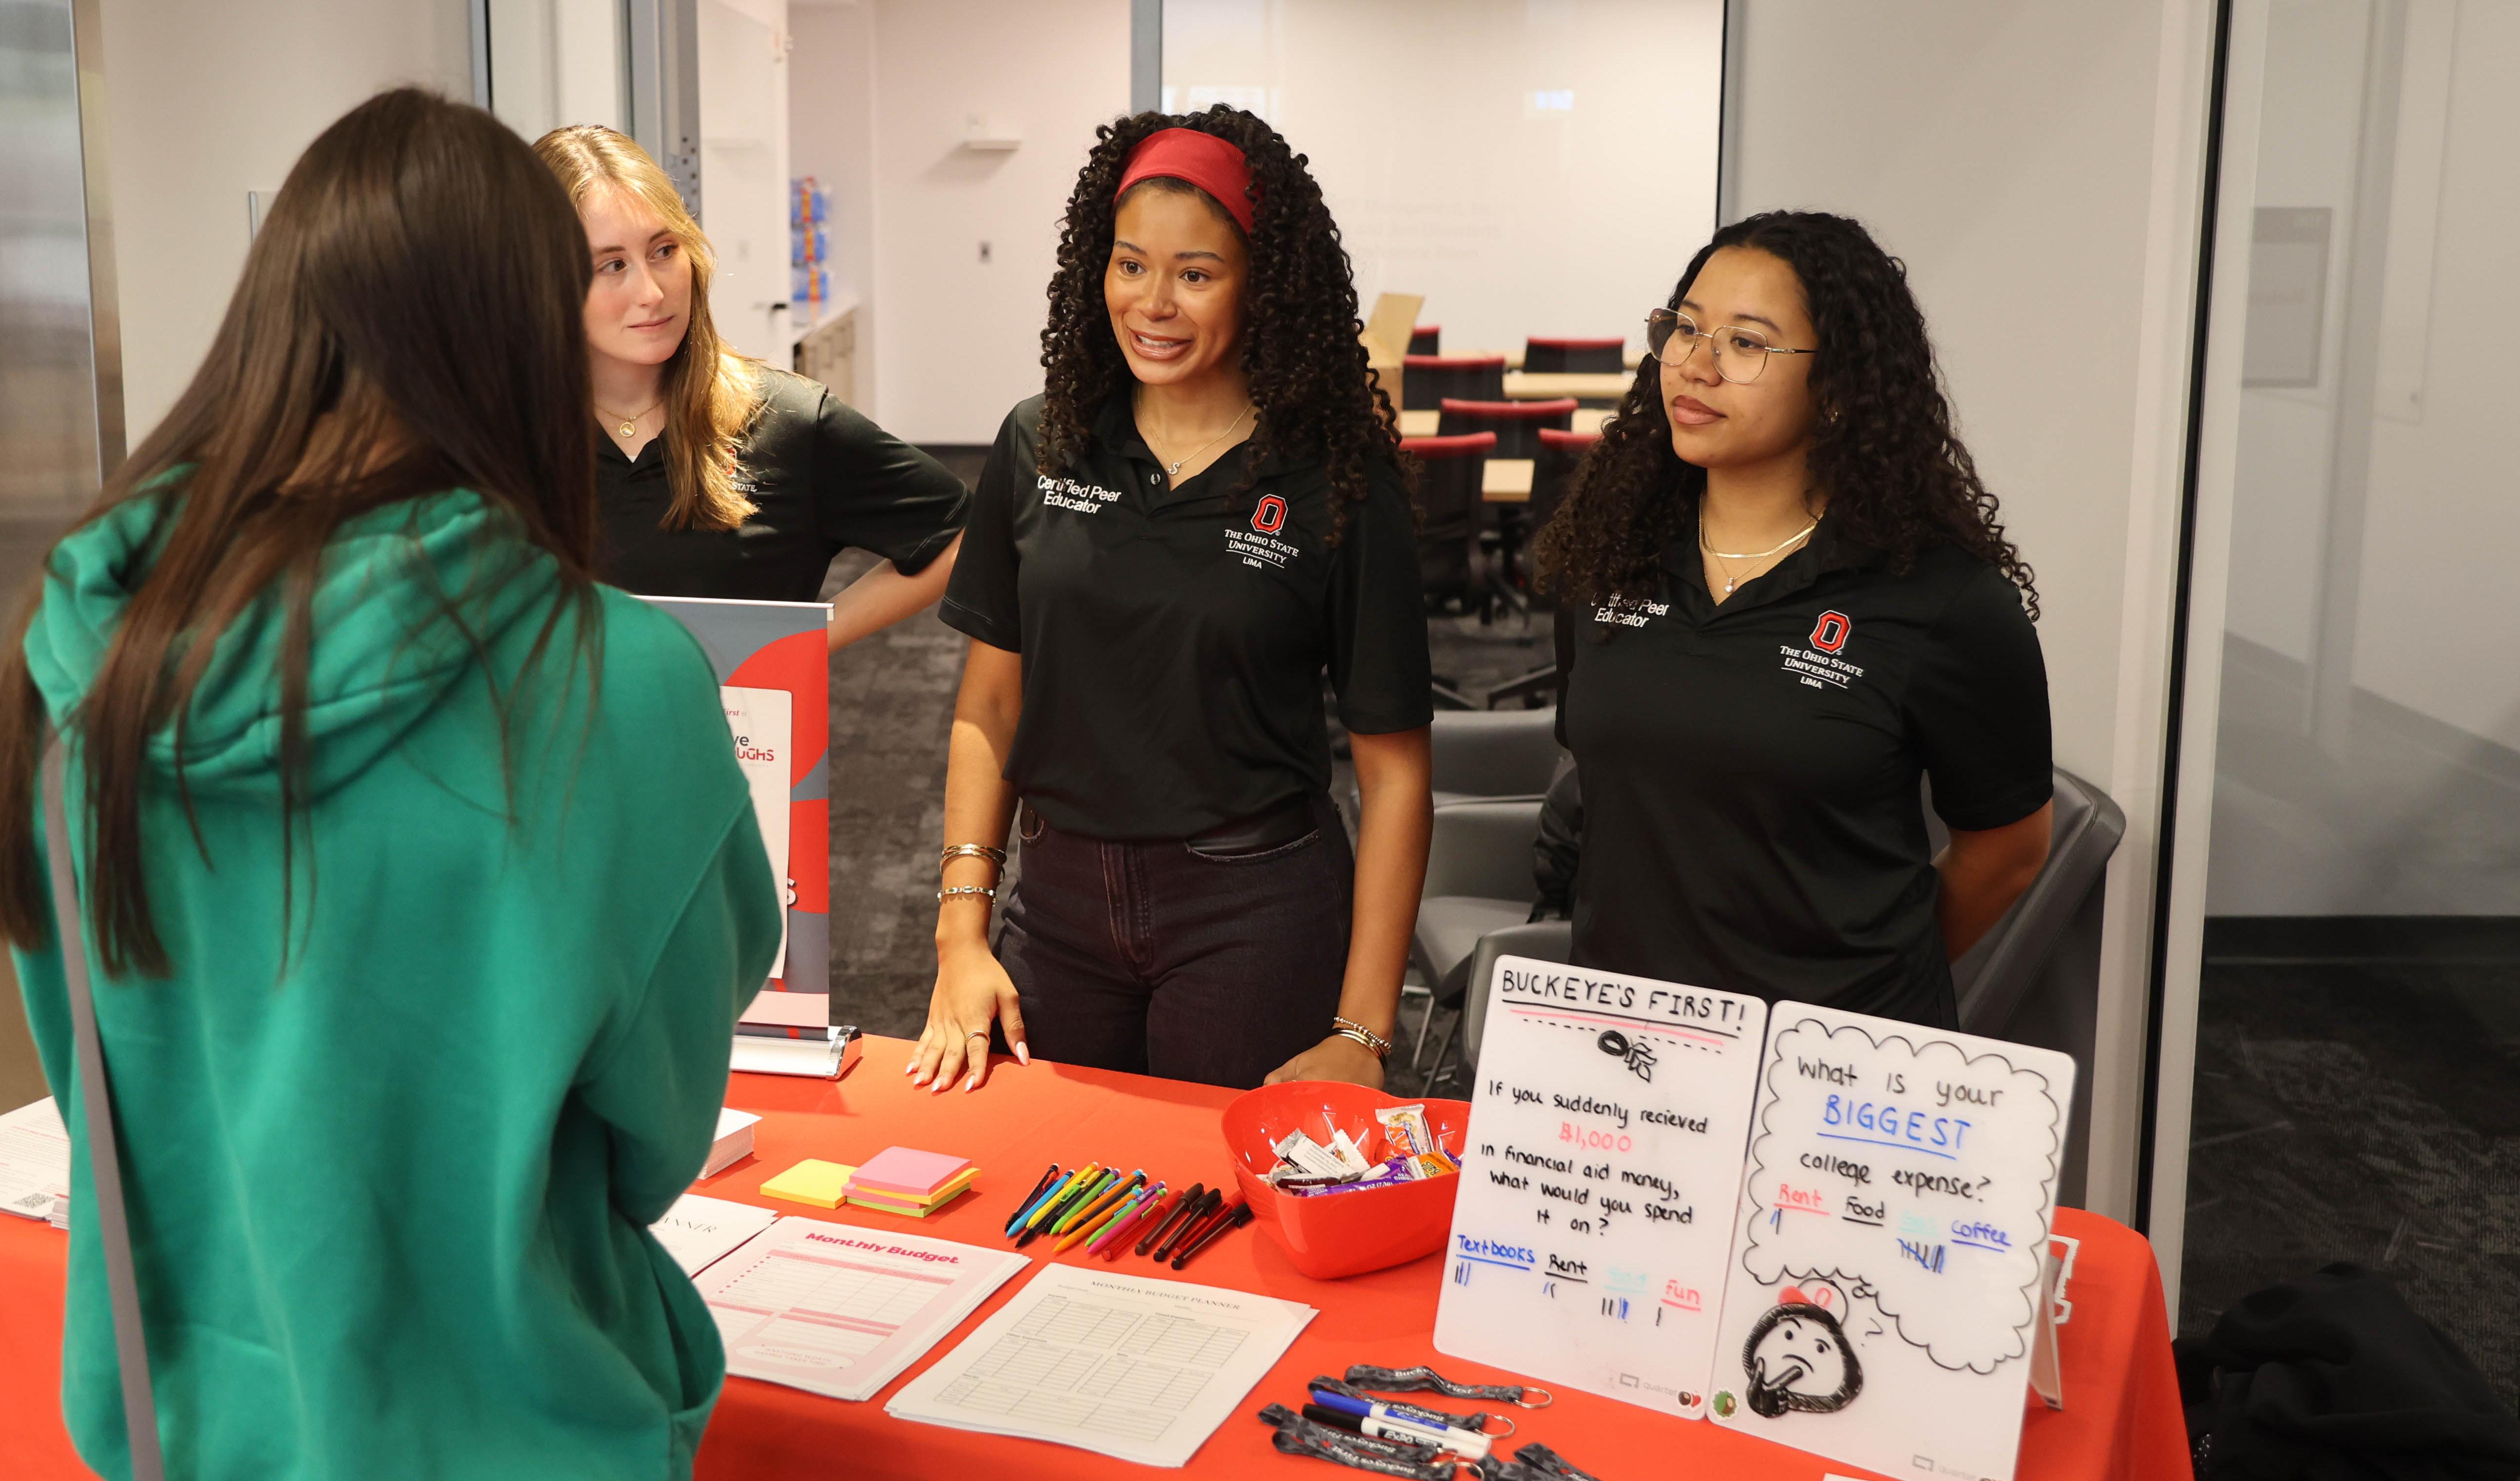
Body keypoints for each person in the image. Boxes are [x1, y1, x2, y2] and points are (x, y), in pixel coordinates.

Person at [0, 90, 780, 1481]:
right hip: (521, 1441)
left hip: (196, 1434)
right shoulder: (616, 683)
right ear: (530, 343)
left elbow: (92, 1054)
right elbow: (663, 1121)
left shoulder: (85, 653)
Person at [910, 107, 1434, 1095]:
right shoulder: (1039, 443)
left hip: (1252, 908)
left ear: (1260, 288)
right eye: (1129, 264)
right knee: (1046, 1198)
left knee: (1217, 1222)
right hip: (1057, 904)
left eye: (1194, 274)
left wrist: (1362, 1033)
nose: (1153, 302)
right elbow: (987, 709)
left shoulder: (1334, 476)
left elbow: (1396, 773)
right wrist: (960, 929)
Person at [1532, 210, 2054, 1027]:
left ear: (1840, 387)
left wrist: (1853, 991)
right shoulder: (1611, 555)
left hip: (1824, 1071)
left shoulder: (1941, 597)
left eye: (1745, 343)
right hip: (1631, 1053)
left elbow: (2010, 852)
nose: (1696, 365)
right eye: (1685, 328)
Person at [535, 126, 966, 648]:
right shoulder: (495, 441)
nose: (651, 291)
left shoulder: (788, 422)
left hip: (725, 732)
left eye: (664, 250)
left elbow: (958, 533)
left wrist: (803, 641)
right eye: (612, 265)